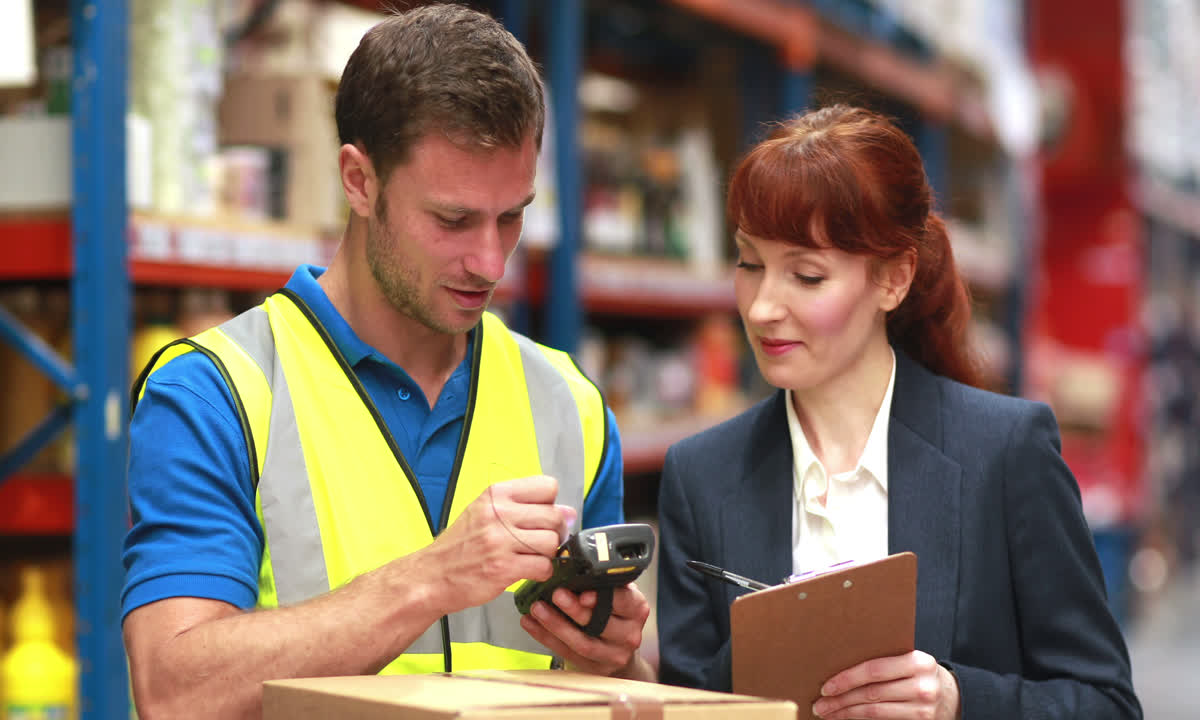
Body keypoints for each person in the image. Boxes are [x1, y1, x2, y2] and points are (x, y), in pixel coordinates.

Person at [122, 6, 652, 718]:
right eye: (453, 220)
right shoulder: (217, 391)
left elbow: (626, 688)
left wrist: (619, 655)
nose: (491, 262)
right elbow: (174, 692)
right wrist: (430, 579)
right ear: (359, 181)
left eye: (512, 216)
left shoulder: (568, 402)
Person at [656, 104, 1141, 719]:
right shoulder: (703, 477)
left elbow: (1106, 704)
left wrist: (958, 700)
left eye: (805, 276)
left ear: (893, 280)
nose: (761, 309)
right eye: (750, 265)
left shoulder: (1004, 453)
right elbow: (689, 704)